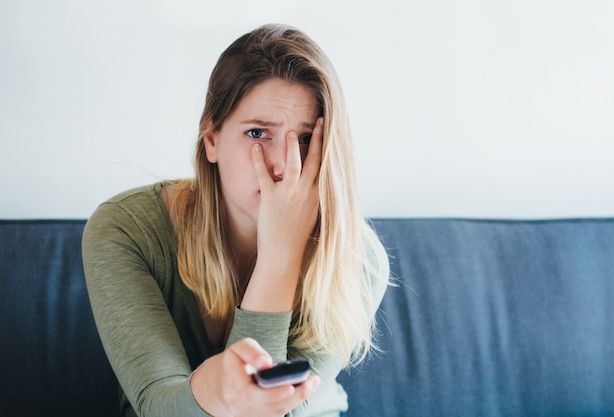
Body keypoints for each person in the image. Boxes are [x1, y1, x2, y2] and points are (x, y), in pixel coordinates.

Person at [82, 23, 389, 417]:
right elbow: (157, 406)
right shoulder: (125, 231)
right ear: (211, 139)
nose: (283, 165)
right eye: (258, 132)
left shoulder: (358, 258)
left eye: (307, 139)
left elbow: (273, 412)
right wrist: (215, 387)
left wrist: (280, 253)